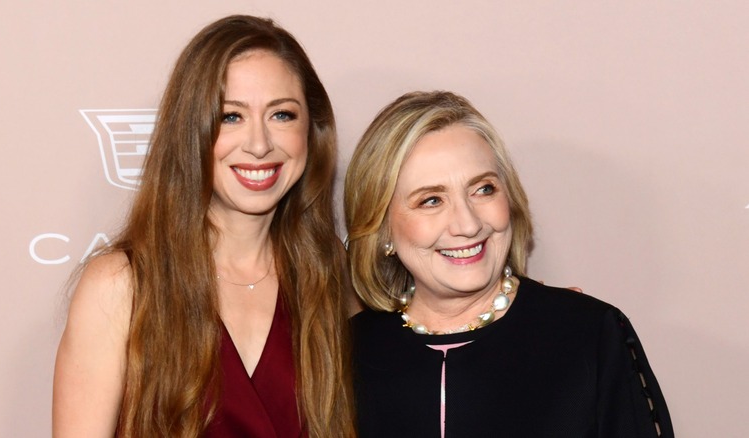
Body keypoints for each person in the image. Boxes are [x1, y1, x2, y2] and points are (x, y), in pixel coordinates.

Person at [53, 15, 354, 437]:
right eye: (231, 117)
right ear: (191, 131)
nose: (259, 144)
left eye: (282, 115)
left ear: (312, 130)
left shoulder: (328, 272)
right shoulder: (121, 285)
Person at [344, 91, 673, 437]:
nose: (468, 224)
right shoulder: (346, 353)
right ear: (382, 230)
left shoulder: (588, 336)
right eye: (431, 200)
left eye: (483, 189)